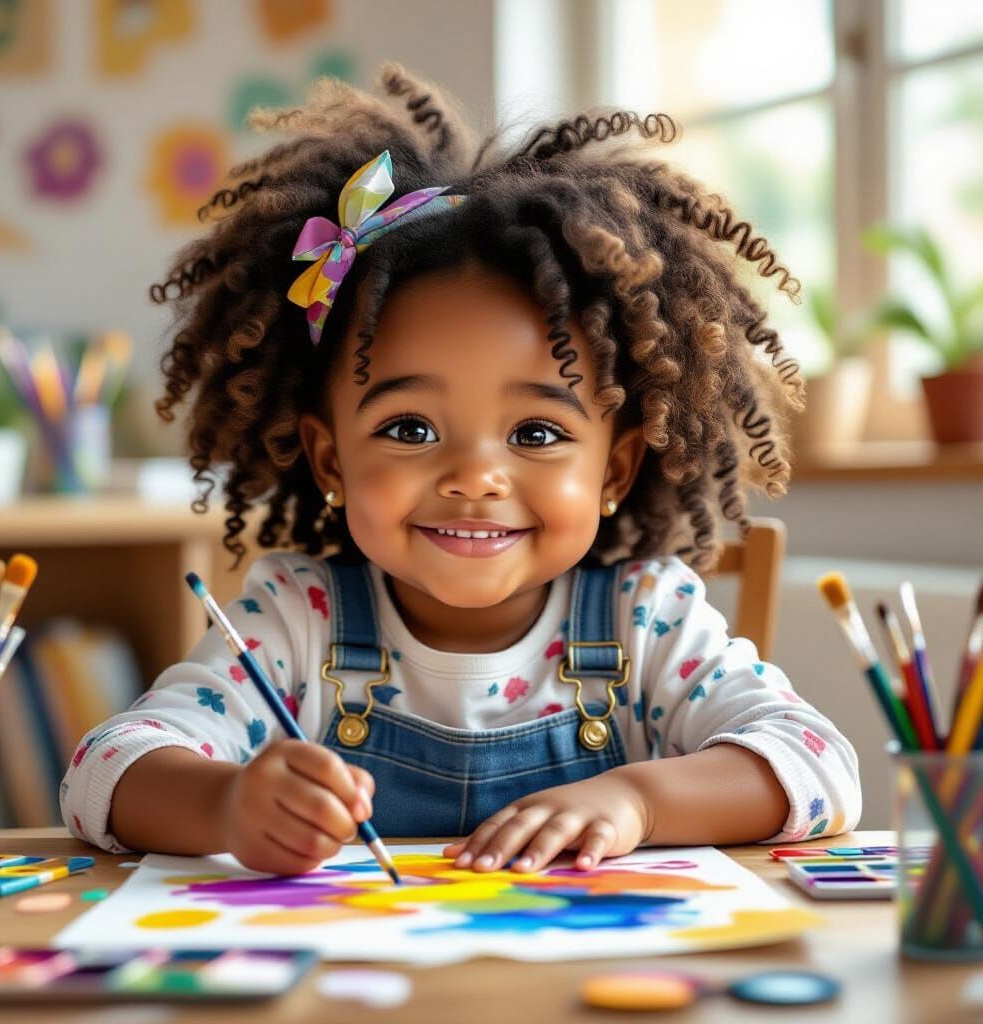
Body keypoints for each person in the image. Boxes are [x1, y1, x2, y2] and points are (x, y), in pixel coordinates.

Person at [61, 64, 860, 877]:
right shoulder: (296, 621)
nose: (476, 477)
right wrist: (225, 804)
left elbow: (819, 763)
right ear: (331, 457)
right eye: (410, 427)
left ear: (616, 469)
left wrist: (638, 801)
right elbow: (104, 769)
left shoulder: (645, 620)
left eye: (539, 431)